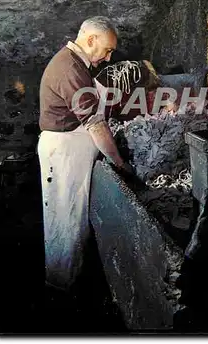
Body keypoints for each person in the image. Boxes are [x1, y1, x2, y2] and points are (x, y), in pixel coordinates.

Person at [38, 16, 133, 291]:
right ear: (91, 40)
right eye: (107, 50)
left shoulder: (77, 64)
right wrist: (118, 161)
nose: (108, 57)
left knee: (73, 217)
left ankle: (69, 279)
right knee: (65, 218)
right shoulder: (70, 67)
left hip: (72, 149)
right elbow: (93, 122)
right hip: (65, 151)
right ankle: (62, 285)